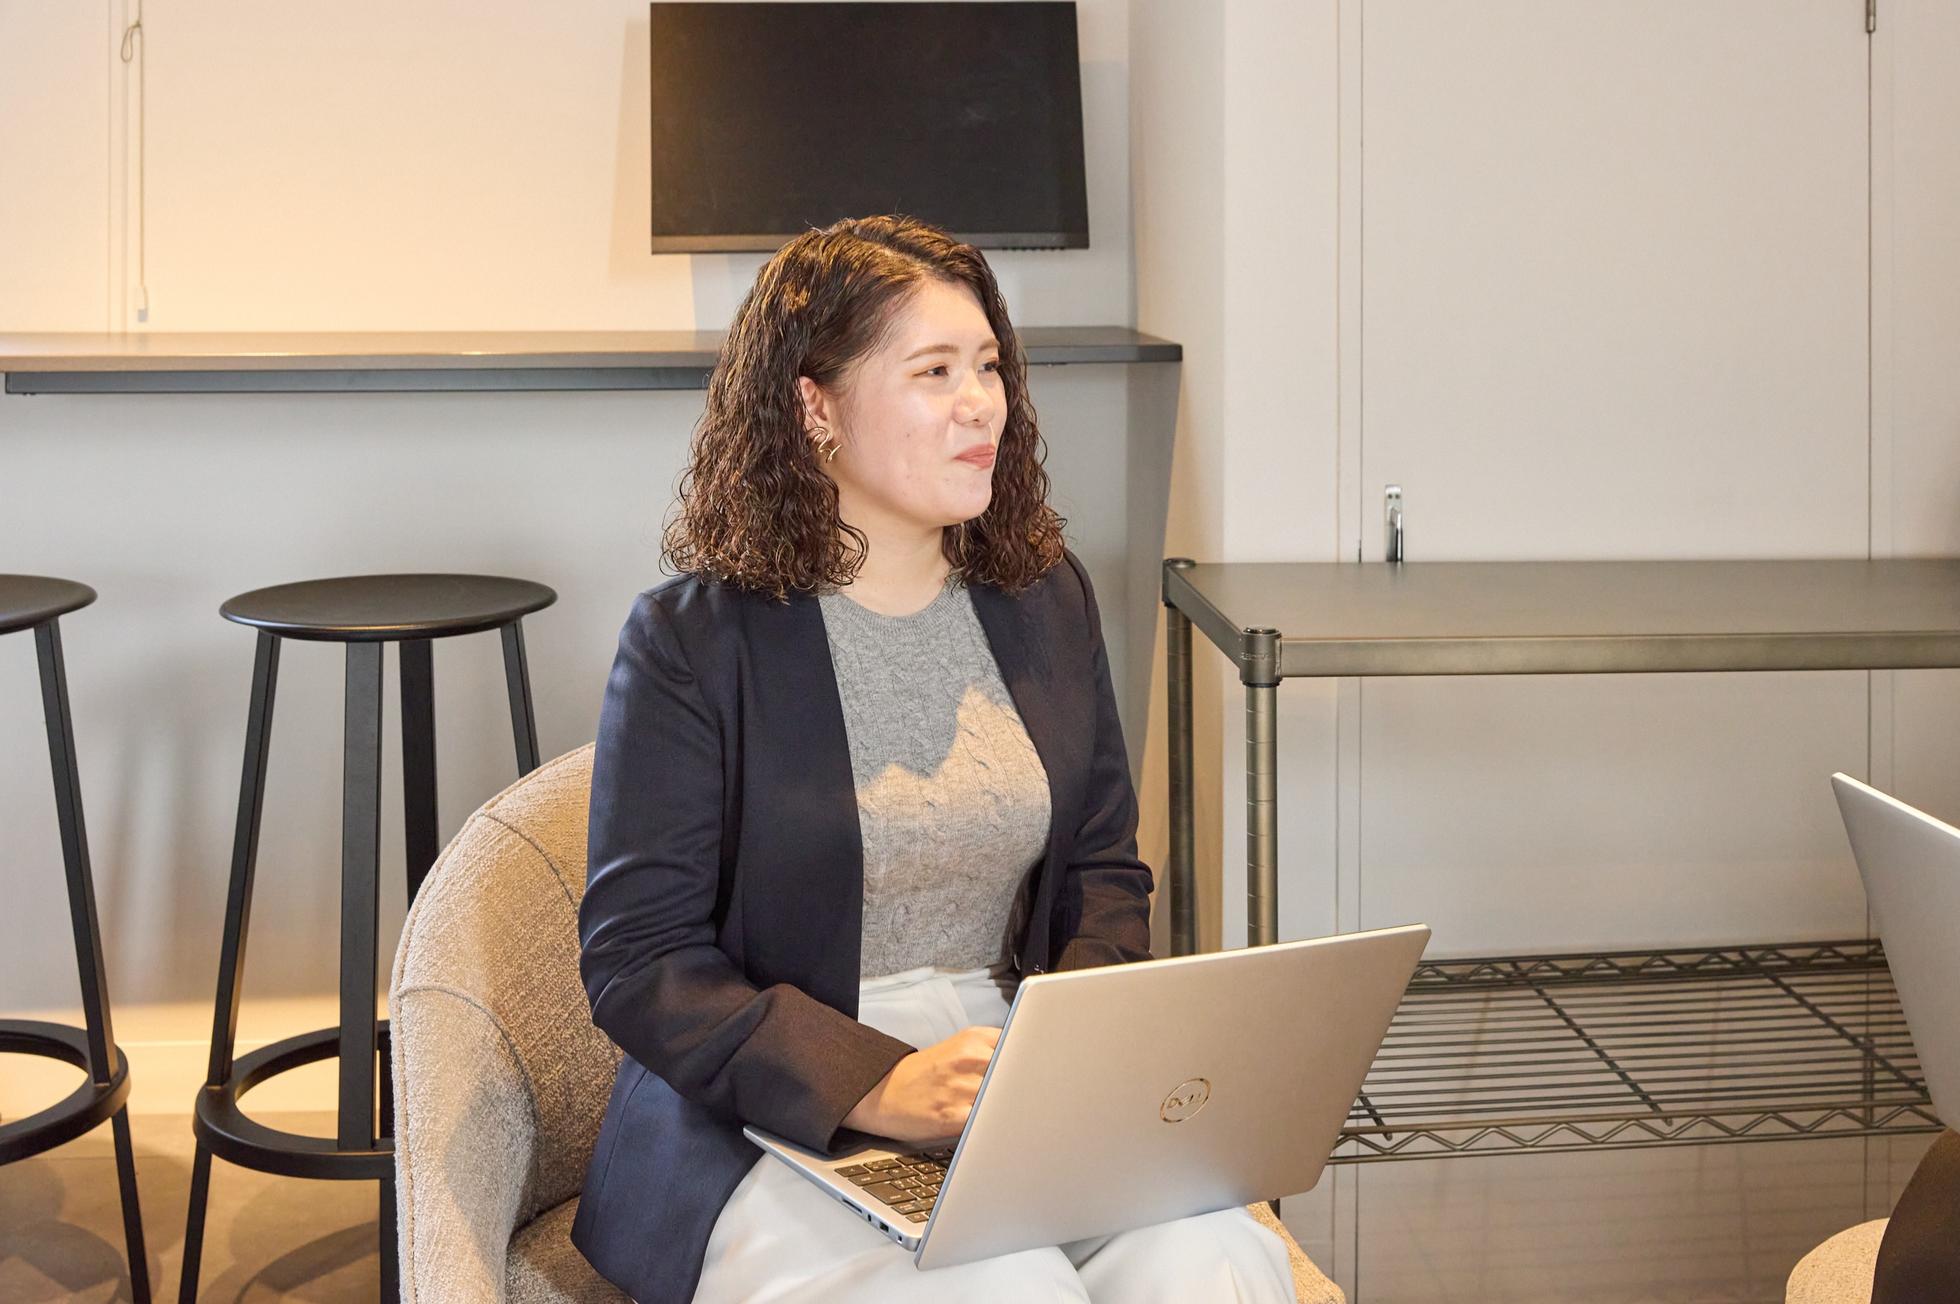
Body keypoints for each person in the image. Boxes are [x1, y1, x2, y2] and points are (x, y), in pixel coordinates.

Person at [570, 214, 1299, 1303]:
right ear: (815, 407)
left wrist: (1073, 1058)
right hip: (781, 1105)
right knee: (1006, 1290)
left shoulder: (1045, 599)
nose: (982, 403)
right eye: (934, 371)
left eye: (988, 366)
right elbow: (641, 958)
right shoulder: (692, 640)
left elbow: (1105, 871)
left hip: (1018, 1083)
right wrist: (876, 1084)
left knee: (1214, 1264)